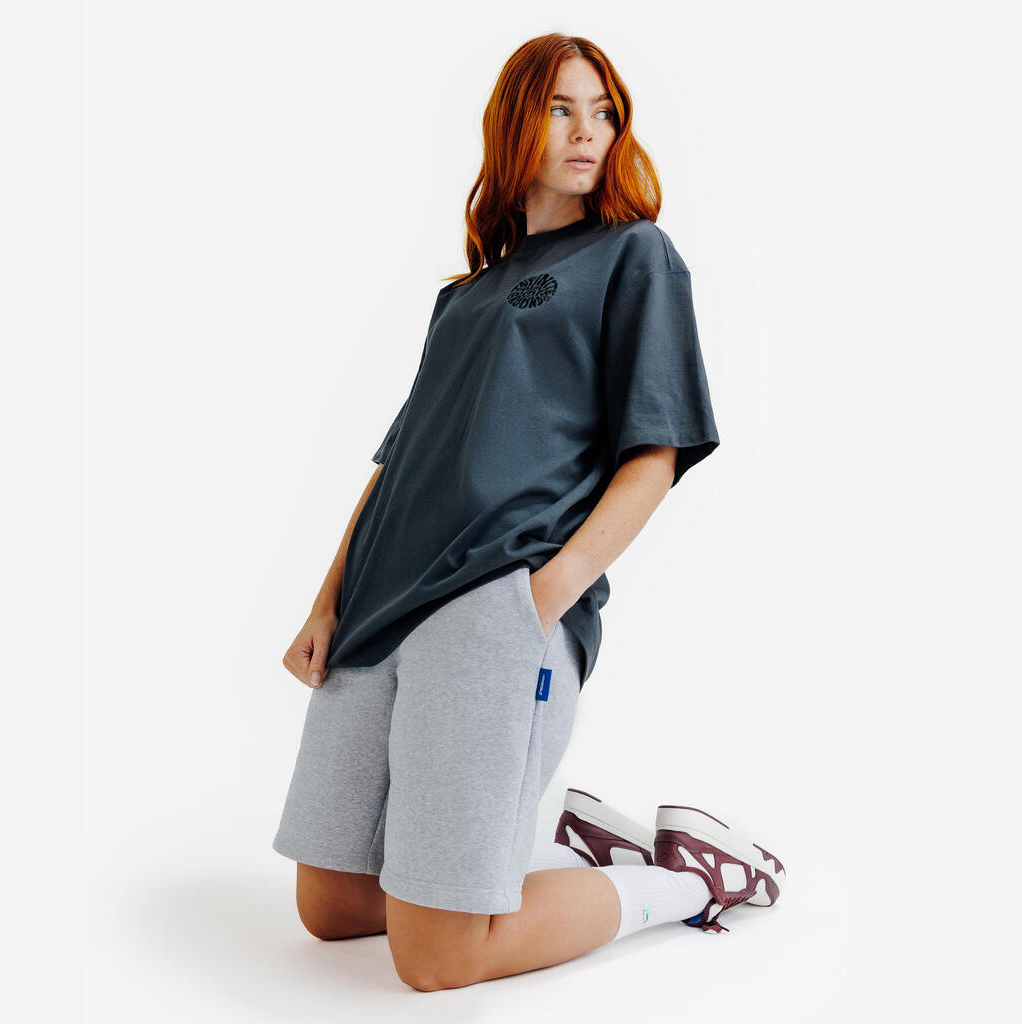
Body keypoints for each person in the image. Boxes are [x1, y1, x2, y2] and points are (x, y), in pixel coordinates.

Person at [272, 32, 785, 991]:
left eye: (604, 112)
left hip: (492, 606)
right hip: (378, 607)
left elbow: (654, 455)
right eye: (560, 108)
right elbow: (397, 465)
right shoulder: (463, 298)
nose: (587, 131)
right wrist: (325, 602)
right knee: (331, 908)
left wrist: (540, 599)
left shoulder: (633, 256)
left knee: (437, 958)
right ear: (514, 123)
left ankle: (688, 879)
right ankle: (551, 848)